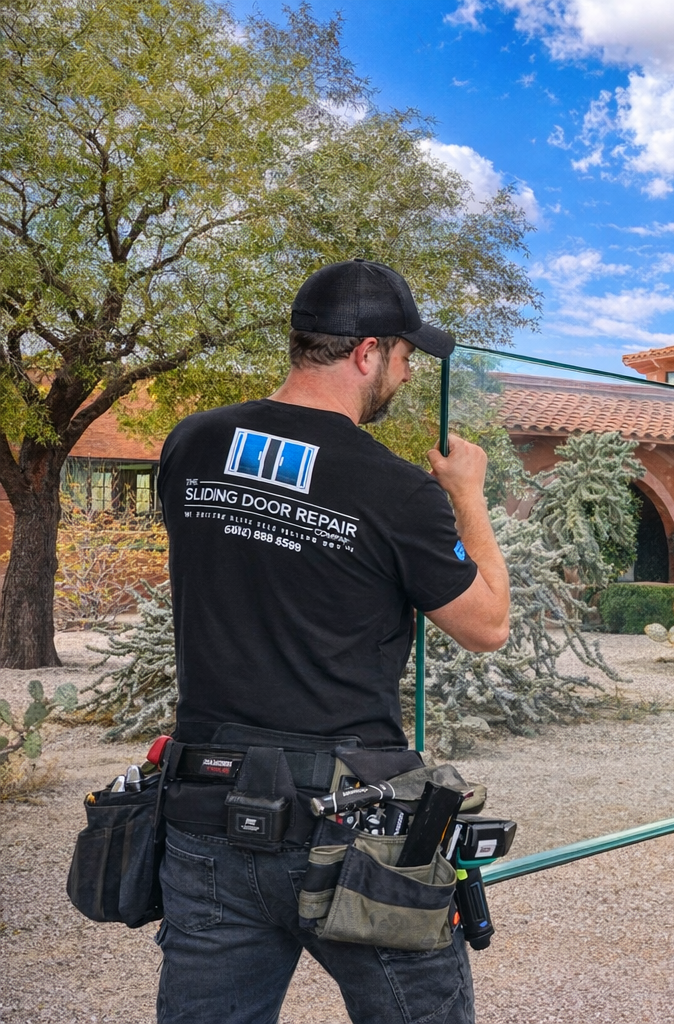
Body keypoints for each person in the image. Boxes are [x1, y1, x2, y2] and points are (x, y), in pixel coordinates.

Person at [153, 258, 511, 1024]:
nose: (408, 375)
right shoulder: (393, 488)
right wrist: (468, 497)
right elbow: (486, 626)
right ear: (366, 352)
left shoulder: (192, 443)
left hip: (206, 805)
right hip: (351, 822)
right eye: (407, 357)